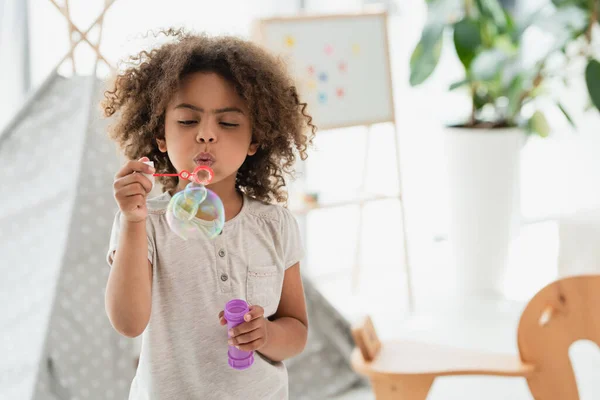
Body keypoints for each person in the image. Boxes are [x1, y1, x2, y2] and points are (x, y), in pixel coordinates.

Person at [101, 28, 316, 399]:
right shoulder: (143, 224)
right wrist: (133, 221)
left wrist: (267, 333)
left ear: (254, 140)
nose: (206, 135)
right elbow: (128, 323)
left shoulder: (275, 225)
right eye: (187, 121)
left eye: (228, 123)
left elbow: (296, 331)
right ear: (161, 138)